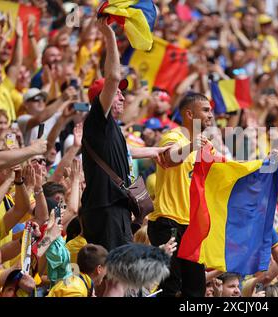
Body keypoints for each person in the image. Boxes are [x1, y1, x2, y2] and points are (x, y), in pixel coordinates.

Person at [80, 18, 168, 251]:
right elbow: (113, 77)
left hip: (114, 207)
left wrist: (156, 151)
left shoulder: (110, 129)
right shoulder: (98, 118)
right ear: (103, 98)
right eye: (117, 94)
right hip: (105, 207)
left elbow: (124, 152)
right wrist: (109, 34)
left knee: (120, 270)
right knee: (114, 271)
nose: (122, 97)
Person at [146, 92, 212, 297]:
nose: (211, 115)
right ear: (190, 114)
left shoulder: (206, 145)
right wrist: (192, 146)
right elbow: (170, 158)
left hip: (192, 227)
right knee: (170, 287)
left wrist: (261, 166)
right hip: (168, 222)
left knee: (196, 290)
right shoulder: (173, 136)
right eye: (206, 110)